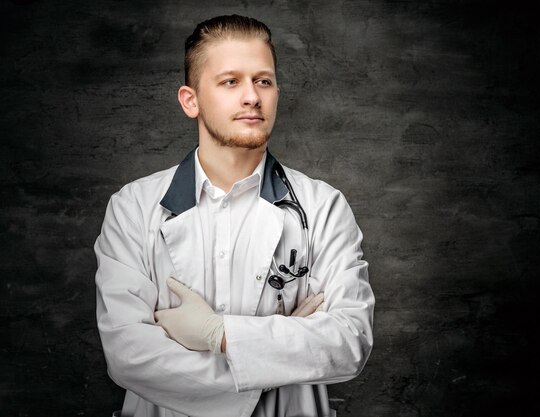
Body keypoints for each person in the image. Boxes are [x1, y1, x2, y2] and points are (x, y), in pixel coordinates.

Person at [95, 15, 374, 417]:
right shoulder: (133, 208)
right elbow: (128, 355)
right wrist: (281, 354)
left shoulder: (323, 207)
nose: (252, 97)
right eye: (230, 81)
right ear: (190, 100)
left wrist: (218, 335)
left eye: (264, 81)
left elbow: (349, 344)